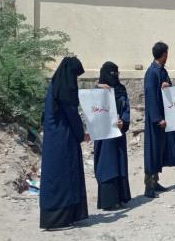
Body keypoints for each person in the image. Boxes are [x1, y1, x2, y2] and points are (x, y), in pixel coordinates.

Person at [40, 56, 90, 229]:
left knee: (58, 177)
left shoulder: (55, 86)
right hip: (62, 140)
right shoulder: (65, 90)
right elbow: (72, 115)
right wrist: (82, 134)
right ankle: (58, 220)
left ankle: (67, 216)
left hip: (55, 139)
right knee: (64, 178)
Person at [143, 42, 175, 198]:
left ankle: (155, 181)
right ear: (164, 54)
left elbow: (166, 89)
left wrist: (167, 85)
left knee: (160, 151)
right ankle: (148, 186)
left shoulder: (162, 71)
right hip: (156, 121)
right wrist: (158, 119)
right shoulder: (152, 72)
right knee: (152, 152)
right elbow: (151, 97)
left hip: (165, 118)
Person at [94, 61, 131, 210]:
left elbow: (126, 108)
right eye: (111, 73)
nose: (114, 76)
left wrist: (124, 122)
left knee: (119, 164)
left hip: (118, 134)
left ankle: (121, 198)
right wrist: (99, 90)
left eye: (116, 73)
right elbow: (92, 109)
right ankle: (108, 201)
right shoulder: (97, 91)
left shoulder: (121, 89)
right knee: (107, 165)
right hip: (104, 136)